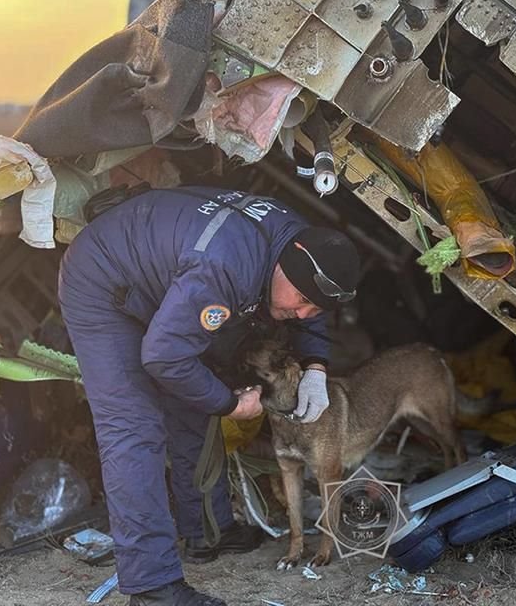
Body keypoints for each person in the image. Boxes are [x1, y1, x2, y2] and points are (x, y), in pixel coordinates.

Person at [58, 186, 361, 606]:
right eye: (303, 301)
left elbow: (308, 305)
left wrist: (315, 366)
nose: (304, 314)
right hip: (103, 280)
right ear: (283, 267)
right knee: (133, 427)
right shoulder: (223, 269)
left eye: (317, 308)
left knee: (192, 401)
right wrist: (233, 405)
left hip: (163, 276)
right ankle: (152, 587)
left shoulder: (297, 241)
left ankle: (208, 531)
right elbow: (163, 357)